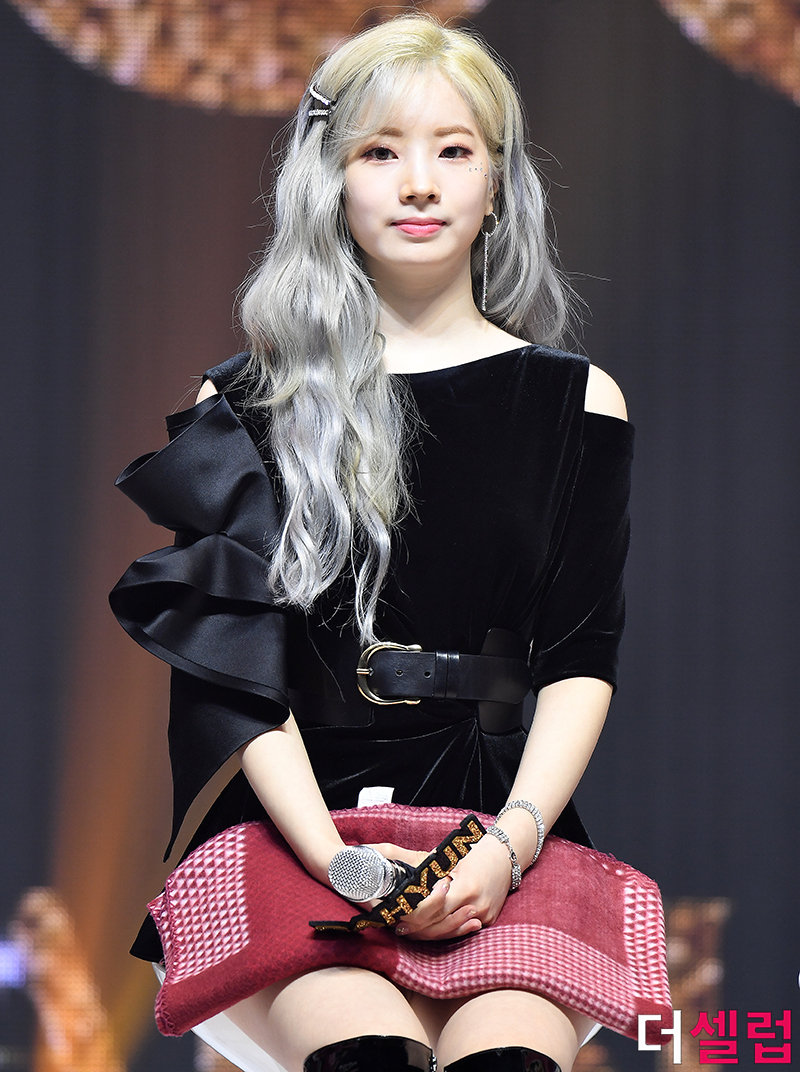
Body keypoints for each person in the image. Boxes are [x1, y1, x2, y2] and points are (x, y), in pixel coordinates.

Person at [111, 14, 634, 1072]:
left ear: (498, 182)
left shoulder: (576, 403)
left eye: (454, 151)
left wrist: (509, 843)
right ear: (331, 180)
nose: (419, 184)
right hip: (294, 830)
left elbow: (580, 657)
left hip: (500, 832)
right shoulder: (240, 407)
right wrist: (339, 863)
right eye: (380, 152)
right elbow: (233, 672)